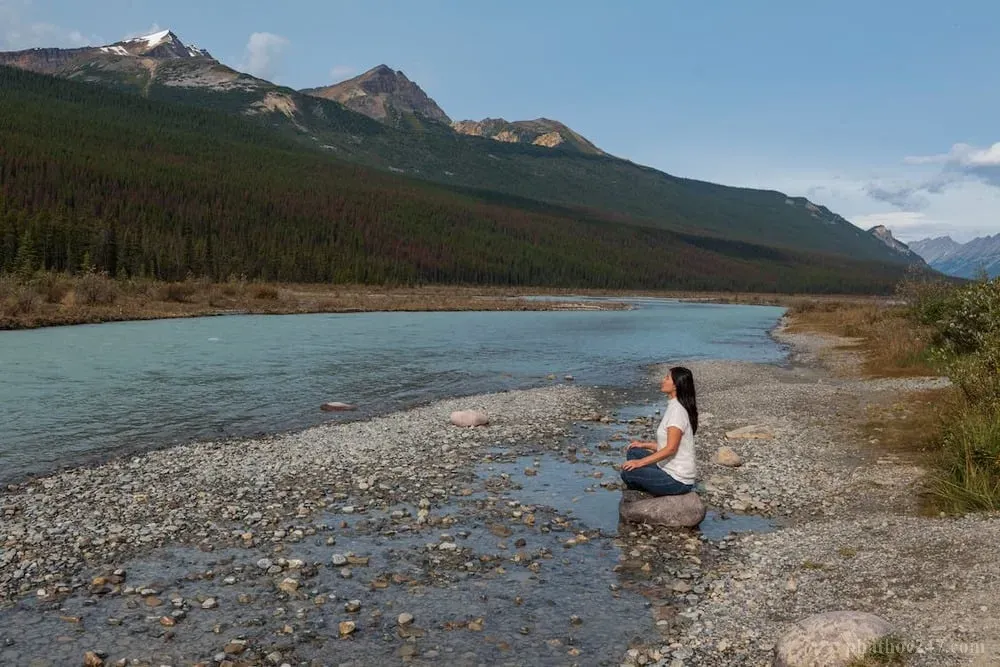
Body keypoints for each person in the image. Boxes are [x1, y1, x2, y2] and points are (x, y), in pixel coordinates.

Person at [620, 366, 699, 496]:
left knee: (628, 472)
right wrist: (643, 445)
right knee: (633, 452)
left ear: (676, 386)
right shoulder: (674, 405)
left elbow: (671, 449)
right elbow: (669, 445)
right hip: (665, 468)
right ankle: (649, 483)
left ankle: (649, 493)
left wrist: (640, 463)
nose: (662, 380)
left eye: (667, 378)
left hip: (677, 480)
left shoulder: (677, 412)